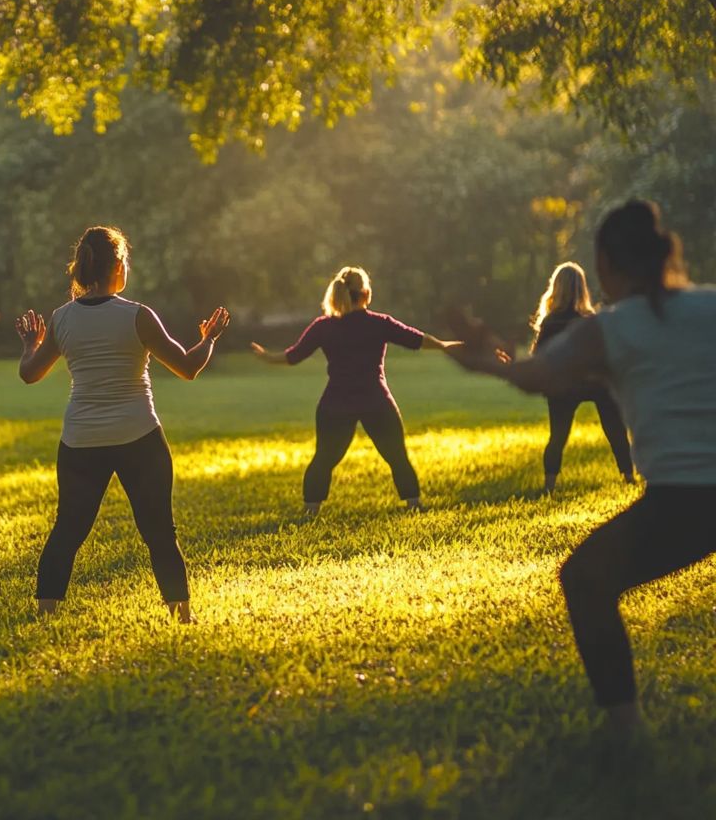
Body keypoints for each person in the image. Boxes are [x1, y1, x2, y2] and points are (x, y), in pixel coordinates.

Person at [448, 199, 716, 737]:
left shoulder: (612, 328)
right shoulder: (709, 307)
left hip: (685, 503)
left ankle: (625, 728)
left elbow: (535, 377)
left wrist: (481, 356)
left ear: (608, 266)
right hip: (685, 500)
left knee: (584, 579)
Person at [16, 225, 230, 624]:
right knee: (158, 530)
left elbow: (29, 374)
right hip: (139, 438)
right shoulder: (137, 316)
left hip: (80, 441)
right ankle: (182, 613)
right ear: (117, 267)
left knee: (69, 529)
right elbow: (187, 367)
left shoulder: (62, 319)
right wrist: (210, 339)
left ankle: (46, 612)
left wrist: (30, 345)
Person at [250, 266, 457, 518]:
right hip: (375, 400)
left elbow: (293, 356)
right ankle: (414, 504)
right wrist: (447, 346)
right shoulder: (379, 323)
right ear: (366, 293)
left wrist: (267, 357)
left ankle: (310, 510)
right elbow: (419, 339)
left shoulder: (323, 326)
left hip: (335, 404)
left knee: (324, 458)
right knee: (396, 456)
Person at [530, 262, 635, 492]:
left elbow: (539, 357)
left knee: (557, 436)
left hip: (563, 387)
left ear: (556, 288)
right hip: (595, 383)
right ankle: (629, 477)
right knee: (615, 429)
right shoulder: (589, 320)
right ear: (581, 289)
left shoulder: (550, 323)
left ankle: (549, 486)